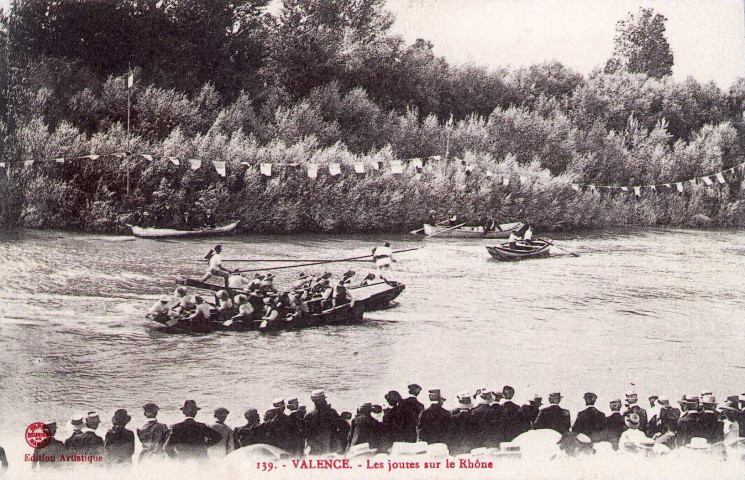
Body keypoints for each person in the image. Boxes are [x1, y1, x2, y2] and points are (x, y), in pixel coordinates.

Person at [303, 390, 347, 455]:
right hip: (331, 447)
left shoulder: (309, 415)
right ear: (324, 399)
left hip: (315, 448)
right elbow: (343, 426)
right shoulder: (332, 412)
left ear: (312, 400)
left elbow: (305, 434)